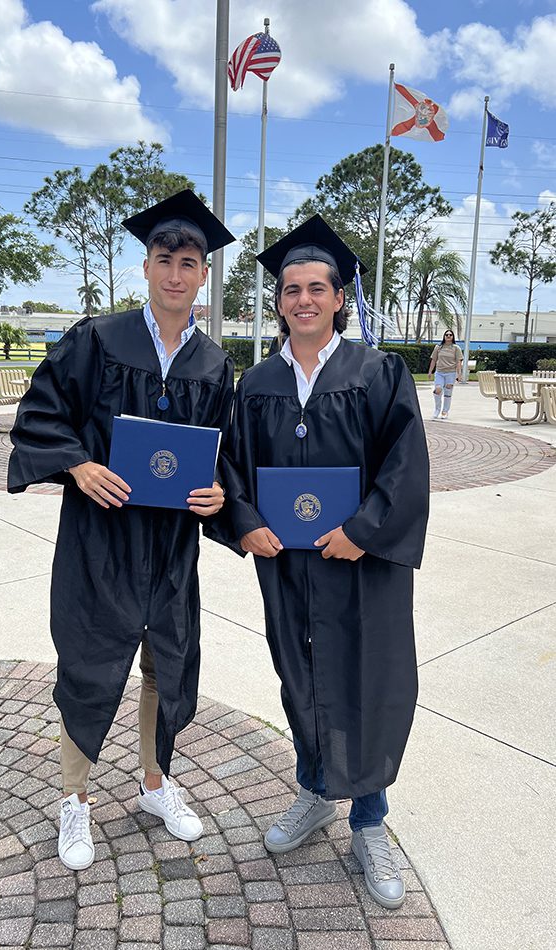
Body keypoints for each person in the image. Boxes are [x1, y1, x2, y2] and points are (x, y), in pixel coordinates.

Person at [8, 190, 236, 871]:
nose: (175, 274)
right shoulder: (97, 339)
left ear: (203, 275)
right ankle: (74, 798)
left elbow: (226, 455)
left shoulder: (214, 365)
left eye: (188, 262)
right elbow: (40, 415)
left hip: (168, 542)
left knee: (165, 663)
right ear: (145, 267)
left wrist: (219, 493)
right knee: (87, 663)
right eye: (164, 259)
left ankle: (154, 783)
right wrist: (76, 464)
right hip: (99, 535)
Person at [208, 215, 429, 910]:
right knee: (299, 676)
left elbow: (405, 465)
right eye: (289, 289)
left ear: (339, 298)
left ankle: (368, 821)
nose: (302, 299)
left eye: (315, 288)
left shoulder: (377, 372)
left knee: (364, 685)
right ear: (277, 301)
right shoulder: (258, 382)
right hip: (290, 568)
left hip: (359, 567)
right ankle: (312, 794)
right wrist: (243, 524)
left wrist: (364, 531)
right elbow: (231, 469)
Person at [428, 329, 463, 420]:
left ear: (452, 337)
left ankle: (445, 411)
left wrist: (459, 374)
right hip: (439, 372)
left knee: (447, 393)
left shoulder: (456, 348)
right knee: (438, 389)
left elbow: (458, 362)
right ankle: (437, 409)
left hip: (451, 373)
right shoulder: (438, 347)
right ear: (444, 336)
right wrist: (430, 371)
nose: (448, 336)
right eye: (446, 335)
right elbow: (433, 360)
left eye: (450, 335)